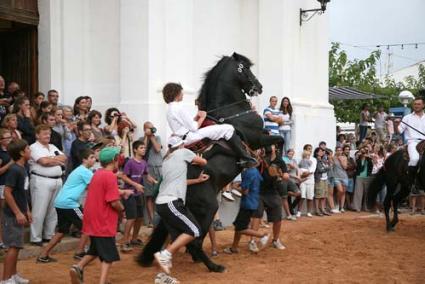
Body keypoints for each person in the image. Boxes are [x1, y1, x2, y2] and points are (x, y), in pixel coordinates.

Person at [69, 147, 128, 284]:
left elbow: (103, 192)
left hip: (93, 218)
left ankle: (78, 267)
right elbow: (114, 202)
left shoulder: (97, 173)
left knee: (95, 249)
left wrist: (122, 192)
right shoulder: (110, 176)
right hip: (104, 220)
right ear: (114, 160)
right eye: (118, 157)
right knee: (109, 256)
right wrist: (122, 210)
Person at [162, 82, 255, 168]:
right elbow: (194, 128)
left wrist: (196, 117)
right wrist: (203, 117)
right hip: (190, 137)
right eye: (181, 92)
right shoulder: (179, 107)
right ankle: (246, 158)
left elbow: (185, 124)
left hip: (181, 137)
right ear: (176, 94)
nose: (183, 94)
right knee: (228, 128)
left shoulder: (169, 108)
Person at [154, 136, 209, 275]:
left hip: (162, 203)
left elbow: (179, 181)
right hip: (171, 202)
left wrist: (197, 180)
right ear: (182, 145)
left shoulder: (167, 159)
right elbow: (203, 161)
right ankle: (165, 254)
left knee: (177, 236)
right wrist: (198, 158)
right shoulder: (183, 152)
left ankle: (162, 277)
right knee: (194, 231)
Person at [36, 149, 96, 263]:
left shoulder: (79, 170)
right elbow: (96, 186)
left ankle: (43, 255)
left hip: (61, 203)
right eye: (91, 157)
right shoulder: (85, 171)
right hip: (69, 203)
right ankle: (80, 252)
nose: (94, 159)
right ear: (84, 159)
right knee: (88, 227)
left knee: (62, 231)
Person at [29, 124, 67, 245]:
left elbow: (64, 157)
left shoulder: (52, 146)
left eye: (49, 133)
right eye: (45, 133)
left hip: (57, 180)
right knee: (39, 210)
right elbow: (43, 162)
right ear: (37, 135)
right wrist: (56, 160)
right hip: (41, 180)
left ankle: (48, 235)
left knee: (53, 210)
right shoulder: (33, 147)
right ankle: (35, 238)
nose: (48, 136)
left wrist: (51, 159)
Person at [2, 139, 31, 284]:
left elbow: (23, 192)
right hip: (12, 214)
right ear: (21, 152)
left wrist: (27, 210)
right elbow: (7, 193)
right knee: (13, 247)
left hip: (20, 212)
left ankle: (13, 275)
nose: (30, 151)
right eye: (28, 149)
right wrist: (18, 213)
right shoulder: (14, 170)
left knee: (17, 246)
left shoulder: (22, 168)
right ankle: (6, 279)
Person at [223, 165, 270, 254]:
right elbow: (255, 183)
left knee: (240, 228)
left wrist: (234, 187)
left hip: (247, 203)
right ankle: (234, 247)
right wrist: (241, 185)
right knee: (239, 225)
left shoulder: (248, 172)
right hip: (253, 201)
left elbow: (245, 191)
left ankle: (263, 235)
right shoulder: (255, 171)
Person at [120, 140, 157, 252]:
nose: (143, 149)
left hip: (139, 193)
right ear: (135, 149)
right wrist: (136, 184)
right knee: (131, 218)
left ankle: (134, 239)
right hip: (129, 193)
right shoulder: (130, 162)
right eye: (141, 147)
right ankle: (125, 242)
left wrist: (155, 181)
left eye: (144, 148)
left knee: (140, 217)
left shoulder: (144, 163)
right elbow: (124, 177)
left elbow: (146, 174)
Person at [250, 145, 288, 251]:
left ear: (275, 148)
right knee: (257, 216)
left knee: (278, 218)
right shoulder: (260, 158)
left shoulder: (280, 160)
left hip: (272, 192)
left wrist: (282, 175)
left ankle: (275, 240)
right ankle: (252, 241)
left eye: (271, 145)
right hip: (258, 192)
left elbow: (286, 175)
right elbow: (252, 166)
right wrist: (258, 159)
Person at [397, 97, 425, 194]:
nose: (416, 106)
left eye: (418, 104)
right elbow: (400, 130)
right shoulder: (407, 118)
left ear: (423, 105)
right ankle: (412, 183)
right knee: (414, 159)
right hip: (413, 142)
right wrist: (396, 124)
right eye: (415, 104)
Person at [140, 121, 163, 226]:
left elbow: (158, 149)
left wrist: (152, 136)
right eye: (148, 128)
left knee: (159, 194)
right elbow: (142, 151)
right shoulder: (141, 140)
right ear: (144, 129)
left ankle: (160, 219)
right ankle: (152, 220)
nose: (151, 129)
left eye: (152, 127)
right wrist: (146, 136)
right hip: (147, 169)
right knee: (149, 195)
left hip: (158, 168)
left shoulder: (157, 138)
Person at [0, 128, 13, 249]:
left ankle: (7, 239)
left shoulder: (11, 151)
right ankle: (1, 240)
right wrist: (10, 164)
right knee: (3, 214)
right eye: (6, 138)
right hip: (2, 185)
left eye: (10, 137)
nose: (9, 140)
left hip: (12, 185)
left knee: (9, 213)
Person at [352, 146, 373, 212]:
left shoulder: (369, 159)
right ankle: (357, 207)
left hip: (367, 177)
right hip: (359, 177)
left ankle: (366, 207)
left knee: (367, 193)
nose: (363, 153)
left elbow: (371, 166)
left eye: (365, 151)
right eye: (362, 151)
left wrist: (368, 157)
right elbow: (357, 167)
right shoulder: (358, 159)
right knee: (358, 193)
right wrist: (358, 157)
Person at [297, 150, 316, 217]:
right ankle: (298, 212)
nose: (308, 156)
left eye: (308, 155)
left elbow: (312, 171)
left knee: (310, 197)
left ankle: (308, 212)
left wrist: (306, 174)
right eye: (306, 155)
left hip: (310, 181)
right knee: (302, 196)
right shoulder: (305, 161)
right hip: (303, 181)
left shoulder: (313, 160)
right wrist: (305, 174)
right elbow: (299, 170)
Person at [313, 147, 330, 216]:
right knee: (318, 195)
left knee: (324, 195)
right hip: (319, 179)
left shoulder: (324, 160)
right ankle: (317, 210)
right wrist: (327, 168)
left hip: (325, 179)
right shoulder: (315, 160)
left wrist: (326, 168)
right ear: (317, 152)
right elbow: (320, 170)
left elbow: (330, 167)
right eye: (320, 151)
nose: (322, 152)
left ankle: (322, 209)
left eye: (322, 151)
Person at [333, 146, 348, 213]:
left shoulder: (344, 158)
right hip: (336, 177)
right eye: (337, 150)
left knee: (343, 192)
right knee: (340, 191)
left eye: (340, 150)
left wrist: (341, 160)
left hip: (344, 176)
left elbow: (345, 167)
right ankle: (337, 204)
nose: (339, 151)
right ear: (335, 151)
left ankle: (341, 207)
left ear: (342, 151)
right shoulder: (333, 158)